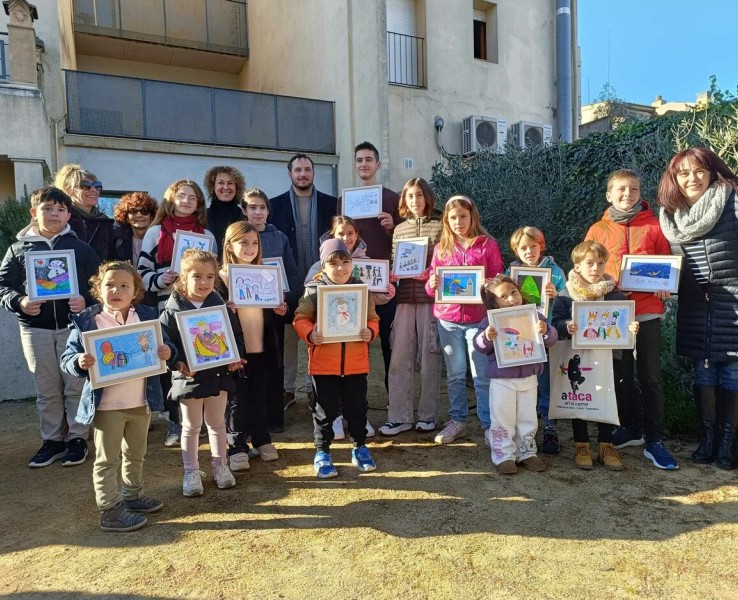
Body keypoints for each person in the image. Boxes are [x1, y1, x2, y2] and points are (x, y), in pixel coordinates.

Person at [60, 262, 176, 532]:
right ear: (98, 289)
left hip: (141, 401)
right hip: (107, 406)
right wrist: (79, 361)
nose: (116, 290)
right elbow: (67, 359)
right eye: (109, 284)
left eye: (125, 285)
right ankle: (109, 509)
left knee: (136, 453)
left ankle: (132, 496)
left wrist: (167, 352)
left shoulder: (147, 317)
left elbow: (166, 345)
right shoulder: (88, 321)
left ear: (136, 290)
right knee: (107, 459)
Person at [0, 187, 101, 468]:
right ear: (34, 213)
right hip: (35, 329)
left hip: (74, 329)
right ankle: (53, 440)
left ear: (68, 214)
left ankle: (78, 437)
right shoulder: (18, 249)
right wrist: (19, 302)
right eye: (47, 208)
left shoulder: (80, 248)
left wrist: (87, 299)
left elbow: (101, 283)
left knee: (75, 385)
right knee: (46, 388)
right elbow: (2, 286)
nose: (54, 214)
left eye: (60, 209)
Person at [585, 169, 678, 470]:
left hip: (647, 308)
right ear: (609, 194)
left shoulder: (655, 225)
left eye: (634, 190)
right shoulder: (597, 229)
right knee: (620, 374)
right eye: (621, 190)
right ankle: (631, 429)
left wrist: (666, 286)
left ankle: (655, 440)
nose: (628, 195)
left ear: (641, 193)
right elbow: (587, 266)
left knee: (650, 376)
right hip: (613, 313)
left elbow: (667, 263)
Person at [657, 147, 738, 470]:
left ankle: (729, 442)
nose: (692, 179)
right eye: (684, 173)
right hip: (695, 306)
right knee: (703, 371)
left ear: (712, 172)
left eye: (699, 171)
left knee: (732, 371)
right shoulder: (671, 216)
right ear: (674, 179)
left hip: (733, 303)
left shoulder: (732, 201)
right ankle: (708, 438)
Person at [159, 249, 245, 496]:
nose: (204, 282)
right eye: (197, 276)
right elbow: (166, 342)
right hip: (189, 378)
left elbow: (235, 337)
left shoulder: (221, 306)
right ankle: (191, 471)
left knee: (218, 424)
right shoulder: (172, 310)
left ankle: (221, 466)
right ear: (183, 277)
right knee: (191, 426)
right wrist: (177, 362)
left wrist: (235, 358)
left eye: (210, 276)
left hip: (218, 375)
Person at [293, 239, 380, 478]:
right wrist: (311, 334)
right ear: (324, 265)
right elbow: (300, 318)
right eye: (334, 263)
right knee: (324, 411)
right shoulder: (313, 291)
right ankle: (322, 452)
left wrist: (370, 331)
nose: (340, 268)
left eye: (345, 262)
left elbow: (373, 319)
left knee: (357, 409)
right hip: (324, 366)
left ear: (352, 263)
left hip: (355, 365)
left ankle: (359, 447)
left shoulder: (361, 289)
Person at [138, 179, 215, 447]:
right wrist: (163, 277)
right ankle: (175, 420)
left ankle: (203, 418)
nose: (186, 201)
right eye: (181, 196)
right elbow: (141, 273)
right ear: (171, 199)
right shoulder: (155, 232)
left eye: (192, 197)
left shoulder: (206, 236)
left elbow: (213, 275)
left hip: (198, 309)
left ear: (199, 203)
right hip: (165, 306)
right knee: (172, 362)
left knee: (200, 358)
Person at [304, 215, 396, 440]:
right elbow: (307, 301)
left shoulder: (367, 262)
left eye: (350, 233)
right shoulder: (319, 266)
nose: (346, 238)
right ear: (332, 236)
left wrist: (386, 294)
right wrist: (310, 331)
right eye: (340, 234)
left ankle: (356, 419)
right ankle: (333, 418)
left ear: (357, 235)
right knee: (329, 384)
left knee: (354, 384)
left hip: (354, 341)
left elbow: (371, 302)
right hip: (327, 343)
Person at [552, 241, 639, 471]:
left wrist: (631, 330)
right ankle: (581, 443)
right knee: (579, 396)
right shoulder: (565, 296)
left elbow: (623, 324)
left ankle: (605, 443)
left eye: (600, 263)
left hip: (610, 360)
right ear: (577, 266)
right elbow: (556, 322)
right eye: (589, 263)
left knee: (607, 398)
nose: (596, 269)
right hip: (577, 357)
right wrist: (566, 326)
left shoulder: (616, 297)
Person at [425, 195, 504, 444]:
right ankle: (458, 421)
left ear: (472, 217)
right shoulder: (441, 248)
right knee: (455, 374)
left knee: (481, 375)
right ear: (446, 221)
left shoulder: (487, 245)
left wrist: (488, 285)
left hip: (477, 320)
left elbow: (498, 280)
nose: (458, 221)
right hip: (447, 319)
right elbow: (431, 287)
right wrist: (432, 283)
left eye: (463, 216)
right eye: (453, 217)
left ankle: (489, 424)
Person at [268, 154, 337, 411]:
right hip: (288, 280)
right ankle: (287, 390)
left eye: (307, 169)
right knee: (287, 339)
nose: (303, 174)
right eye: (298, 170)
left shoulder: (331, 204)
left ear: (313, 173)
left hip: (321, 280)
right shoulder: (275, 205)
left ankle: (314, 387)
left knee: (317, 334)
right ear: (290, 174)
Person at [473, 275, 558, 474]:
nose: (512, 298)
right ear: (494, 302)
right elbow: (478, 345)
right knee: (503, 417)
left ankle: (527, 452)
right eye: (504, 297)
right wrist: (486, 337)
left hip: (529, 377)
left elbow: (551, 339)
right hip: (502, 380)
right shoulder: (490, 322)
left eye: (514, 292)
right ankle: (503, 454)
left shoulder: (535, 316)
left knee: (527, 417)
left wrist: (545, 331)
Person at [219, 221, 286, 471]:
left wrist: (279, 308)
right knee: (237, 399)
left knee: (260, 394)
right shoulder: (221, 278)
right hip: (236, 352)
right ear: (229, 245)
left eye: (254, 243)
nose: (250, 248)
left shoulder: (265, 274)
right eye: (243, 242)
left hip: (261, 346)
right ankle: (236, 444)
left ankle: (262, 438)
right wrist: (226, 309)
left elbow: (271, 310)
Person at [379, 178, 444, 437]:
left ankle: (427, 415)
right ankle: (399, 416)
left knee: (430, 359)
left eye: (419, 195)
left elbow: (446, 261)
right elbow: (397, 262)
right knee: (399, 358)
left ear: (427, 196)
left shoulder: (441, 227)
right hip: (404, 300)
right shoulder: (399, 230)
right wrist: (394, 274)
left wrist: (430, 272)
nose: (414, 201)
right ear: (403, 201)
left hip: (431, 301)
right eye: (409, 196)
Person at [339, 141, 401, 392]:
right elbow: (338, 238)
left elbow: (403, 244)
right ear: (354, 166)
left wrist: (391, 228)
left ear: (378, 164)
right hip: (352, 283)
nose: (363, 164)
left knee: (389, 344)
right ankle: (355, 405)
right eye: (359, 160)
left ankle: (393, 402)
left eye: (368, 159)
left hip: (383, 284)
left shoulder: (392, 198)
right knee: (353, 343)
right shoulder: (345, 200)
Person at [243, 188, 299, 432]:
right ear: (244, 211)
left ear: (268, 210)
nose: (258, 212)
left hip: (273, 311)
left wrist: (285, 297)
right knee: (249, 365)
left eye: (262, 207)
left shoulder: (280, 237)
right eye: (252, 207)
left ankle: (275, 418)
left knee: (274, 363)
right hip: (244, 312)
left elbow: (291, 272)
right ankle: (249, 418)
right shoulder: (237, 235)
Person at [507, 226, 566, 454]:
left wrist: (556, 294)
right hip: (522, 335)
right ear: (516, 251)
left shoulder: (555, 271)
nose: (529, 251)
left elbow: (567, 298)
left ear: (542, 246)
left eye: (533, 246)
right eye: (523, 248)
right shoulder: (512, 272)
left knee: (546, 383)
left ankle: (549, 427)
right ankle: (525, 428)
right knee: (525, 383)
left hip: (545, 334)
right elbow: (503, 298)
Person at [53, 164, 115, 261]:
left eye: (97, 186)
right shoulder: (59, 219)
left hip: (99, 275)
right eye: (86, 186)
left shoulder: (105, 223)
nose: (94, 190)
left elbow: (111, 257)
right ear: (69, 190)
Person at [203, 166, 246, 258]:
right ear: (213, 187)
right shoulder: (202, 215)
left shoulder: (244, 216)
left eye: (230, 183)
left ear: (237, 187)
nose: (225, 187)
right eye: (221, 183)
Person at [112, 191, 158, 269]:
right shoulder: (116, 239)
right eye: (133, 211)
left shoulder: (160, 239)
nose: (139, 215)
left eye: (145, 211)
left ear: (152, 216)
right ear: (126, 216)